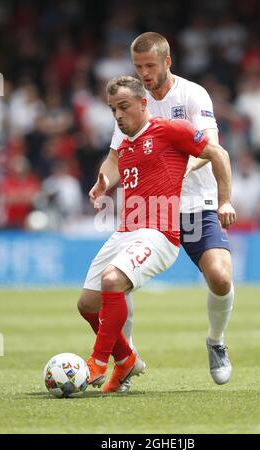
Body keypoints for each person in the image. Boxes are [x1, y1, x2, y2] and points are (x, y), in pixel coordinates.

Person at [91, 32, 236, 390]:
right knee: (116, 283)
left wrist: (187, 173)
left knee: (220, 277)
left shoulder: (191, 94)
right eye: (138, 66)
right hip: (150, 210)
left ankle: (216, 342)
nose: (144, 73)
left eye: (150, 66)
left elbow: (211, 146)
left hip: (194, 205)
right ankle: (124, 362)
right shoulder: (131, 103)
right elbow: (114, 157)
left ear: (167, 62)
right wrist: (104, 181)